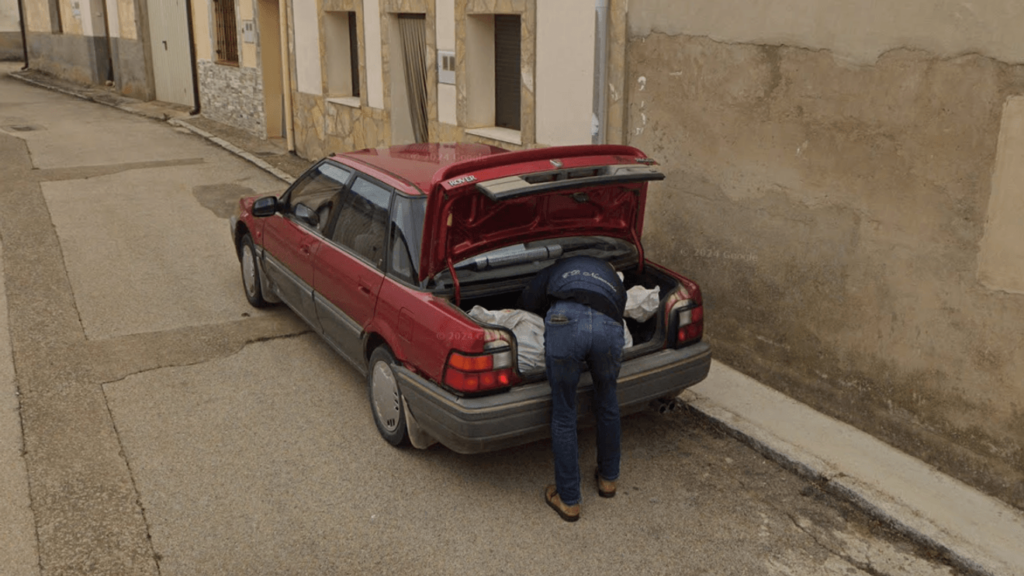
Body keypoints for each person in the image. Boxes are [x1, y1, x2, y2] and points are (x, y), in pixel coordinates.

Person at [519, 255, 627, 522]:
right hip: (608, 327)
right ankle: (608, 480)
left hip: (564, 322)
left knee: (564, 413)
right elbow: (620, 308)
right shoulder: (612, 276)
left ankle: (568, 499)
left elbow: (528, 302)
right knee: (608, 402)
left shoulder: (556, 269)